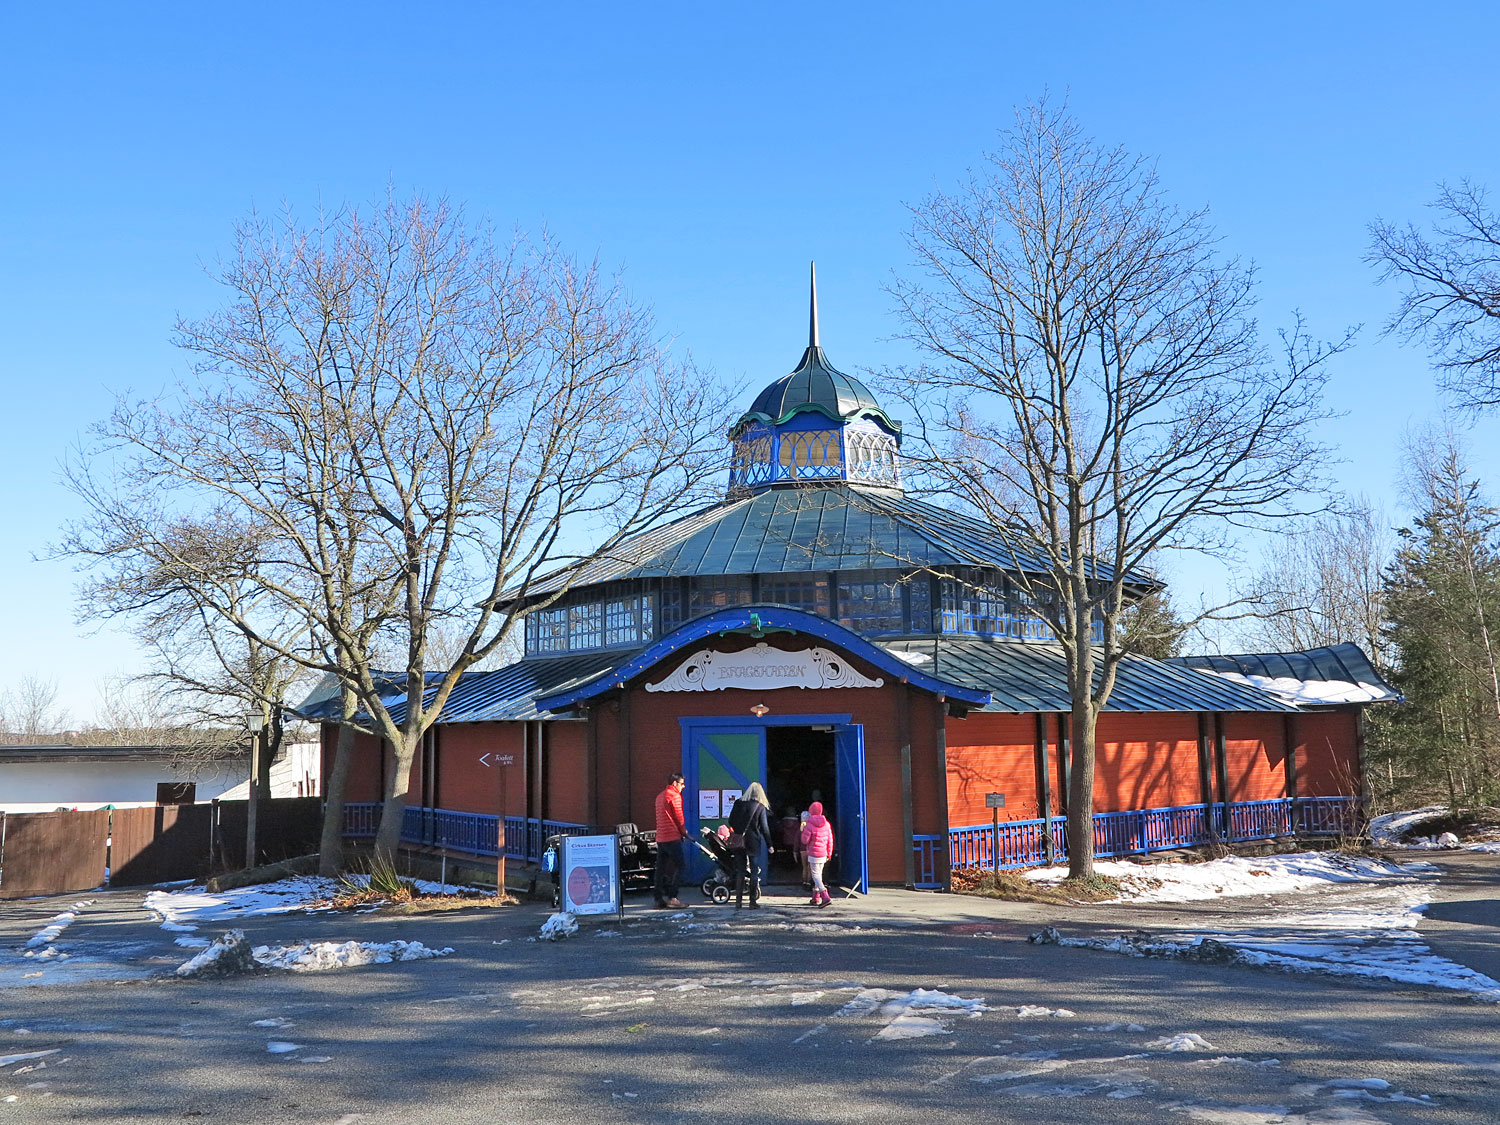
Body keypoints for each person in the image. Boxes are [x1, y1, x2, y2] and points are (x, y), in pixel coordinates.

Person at [727, 781, 772, 908]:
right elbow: (764, 828)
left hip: (739, 842)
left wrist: (738, 830)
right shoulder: (760, 807)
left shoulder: (738, 803)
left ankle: (738, 902)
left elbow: (730, 820)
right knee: (753, 872)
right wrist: (770, 844)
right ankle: (752, 902)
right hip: (753, 842)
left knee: (740, 871)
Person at [653, 772, 687, 908]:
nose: (683, 786)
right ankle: (673, 897)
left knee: (660, 869)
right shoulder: (674, 796)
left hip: (661, 837)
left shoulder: (659, 797)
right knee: (681, 865)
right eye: (681, 783)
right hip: (672, 837)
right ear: (675, 783)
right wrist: (684, 833)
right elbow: (679, 818)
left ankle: (658, 898)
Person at [800, 800, 834, 907]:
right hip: (823, 853)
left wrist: (804, 829)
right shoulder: (827, 824)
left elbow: (804, 840)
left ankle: (825, 896)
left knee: (815, 875)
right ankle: (815, 898)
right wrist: (829, 853)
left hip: (813, 853)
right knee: (819, 875)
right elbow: (830, 840)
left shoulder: (809, 824)